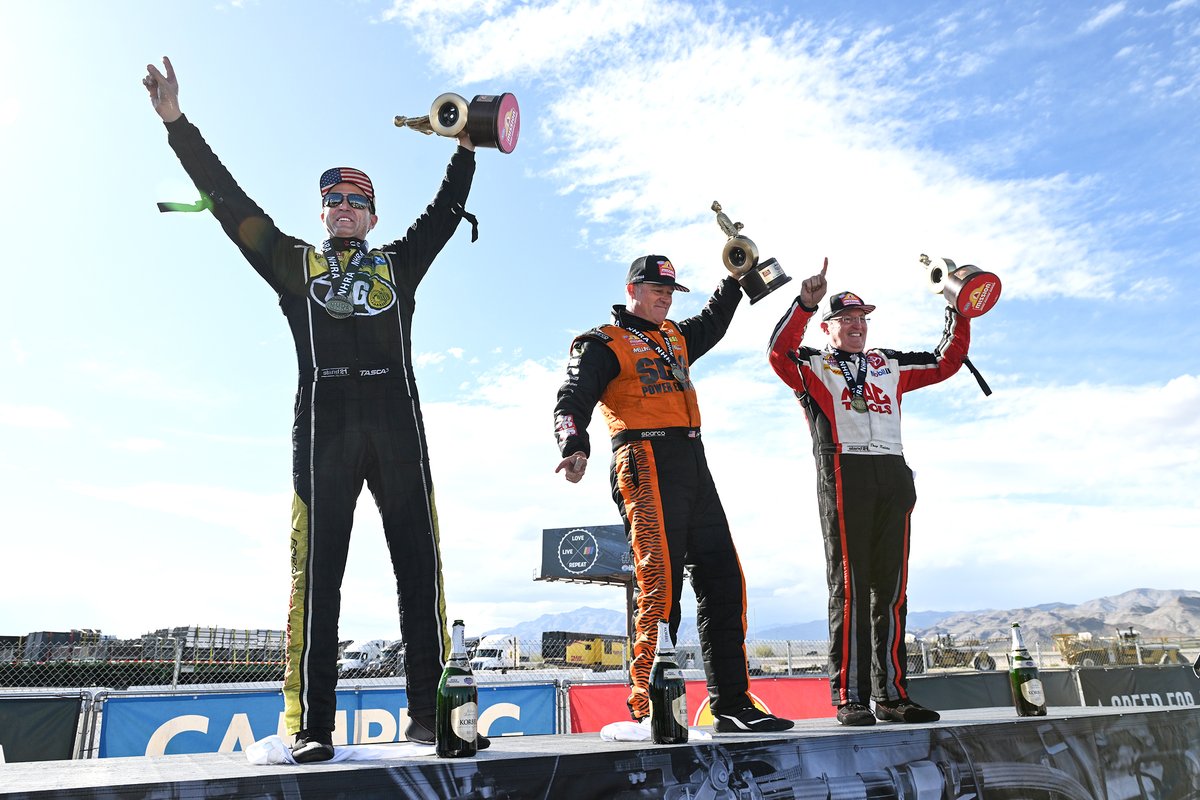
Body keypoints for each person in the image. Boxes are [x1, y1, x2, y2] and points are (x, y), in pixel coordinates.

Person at [143, 56, 485, 761]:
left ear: (373, 213)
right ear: (321, 210)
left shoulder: (398, 263)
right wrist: (177, 124)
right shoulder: (294, 263)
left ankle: (434, 716)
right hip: (324, 423)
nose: (343, 207)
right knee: (318, 574)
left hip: (397, 422)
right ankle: (312, 728)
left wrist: (465, 149)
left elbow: (446, 214)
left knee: (420, 568)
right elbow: (228, 200)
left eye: (356, 198)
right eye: (332, 199)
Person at [554, 255, 794, 734]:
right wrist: (574, 445)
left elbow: (713, 322)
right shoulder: (602, 342)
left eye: (670, 292)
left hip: (693, 461)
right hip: (643, 459)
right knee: (660, 587)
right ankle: (648, 708)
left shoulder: (676, 338)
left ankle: (732, 703)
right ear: (632, 289)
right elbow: (571, 397)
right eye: (656, 290)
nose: (664, 298)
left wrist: (733, 276)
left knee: (726, 580)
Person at [767, 258, 969, 726]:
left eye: (863, 319)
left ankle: (893, 695)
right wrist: (803, 303)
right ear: (828, 327)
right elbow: (778, 353)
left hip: (893, 471)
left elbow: (947, 361)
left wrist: (958, 309)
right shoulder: (813, 364)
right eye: (847, 320)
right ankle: (851, 696)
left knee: (892, 591)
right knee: (851, 589)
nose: (857, 326)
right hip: (843, 470)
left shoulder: (889, 364)